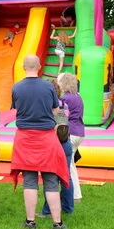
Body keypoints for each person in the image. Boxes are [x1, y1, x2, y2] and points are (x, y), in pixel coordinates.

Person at [10, 55, 70, 229]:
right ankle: (57, 223)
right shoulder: (48, 87)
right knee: (51, 180)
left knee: (29, 180)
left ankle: (30, 222)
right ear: (40, 66)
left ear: (23, 67)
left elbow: (17, 109)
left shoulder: (16, 87)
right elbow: (56, 111)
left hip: (25, 138)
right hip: (46, 138)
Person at [40, 81, 74, 217]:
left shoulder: (46, 107)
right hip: (66, 143)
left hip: (52, 144)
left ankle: (47, 210)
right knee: (66, 177)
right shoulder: (64, 105)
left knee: (50, 178)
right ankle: (68, 207)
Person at [58, 73, 85, 202]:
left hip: (71, 132)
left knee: (69, 166)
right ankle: (74, 194)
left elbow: (61, 118)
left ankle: (74, 195)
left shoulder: (65, 99)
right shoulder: (77, 97)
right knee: (71, 164)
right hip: (79, 132)